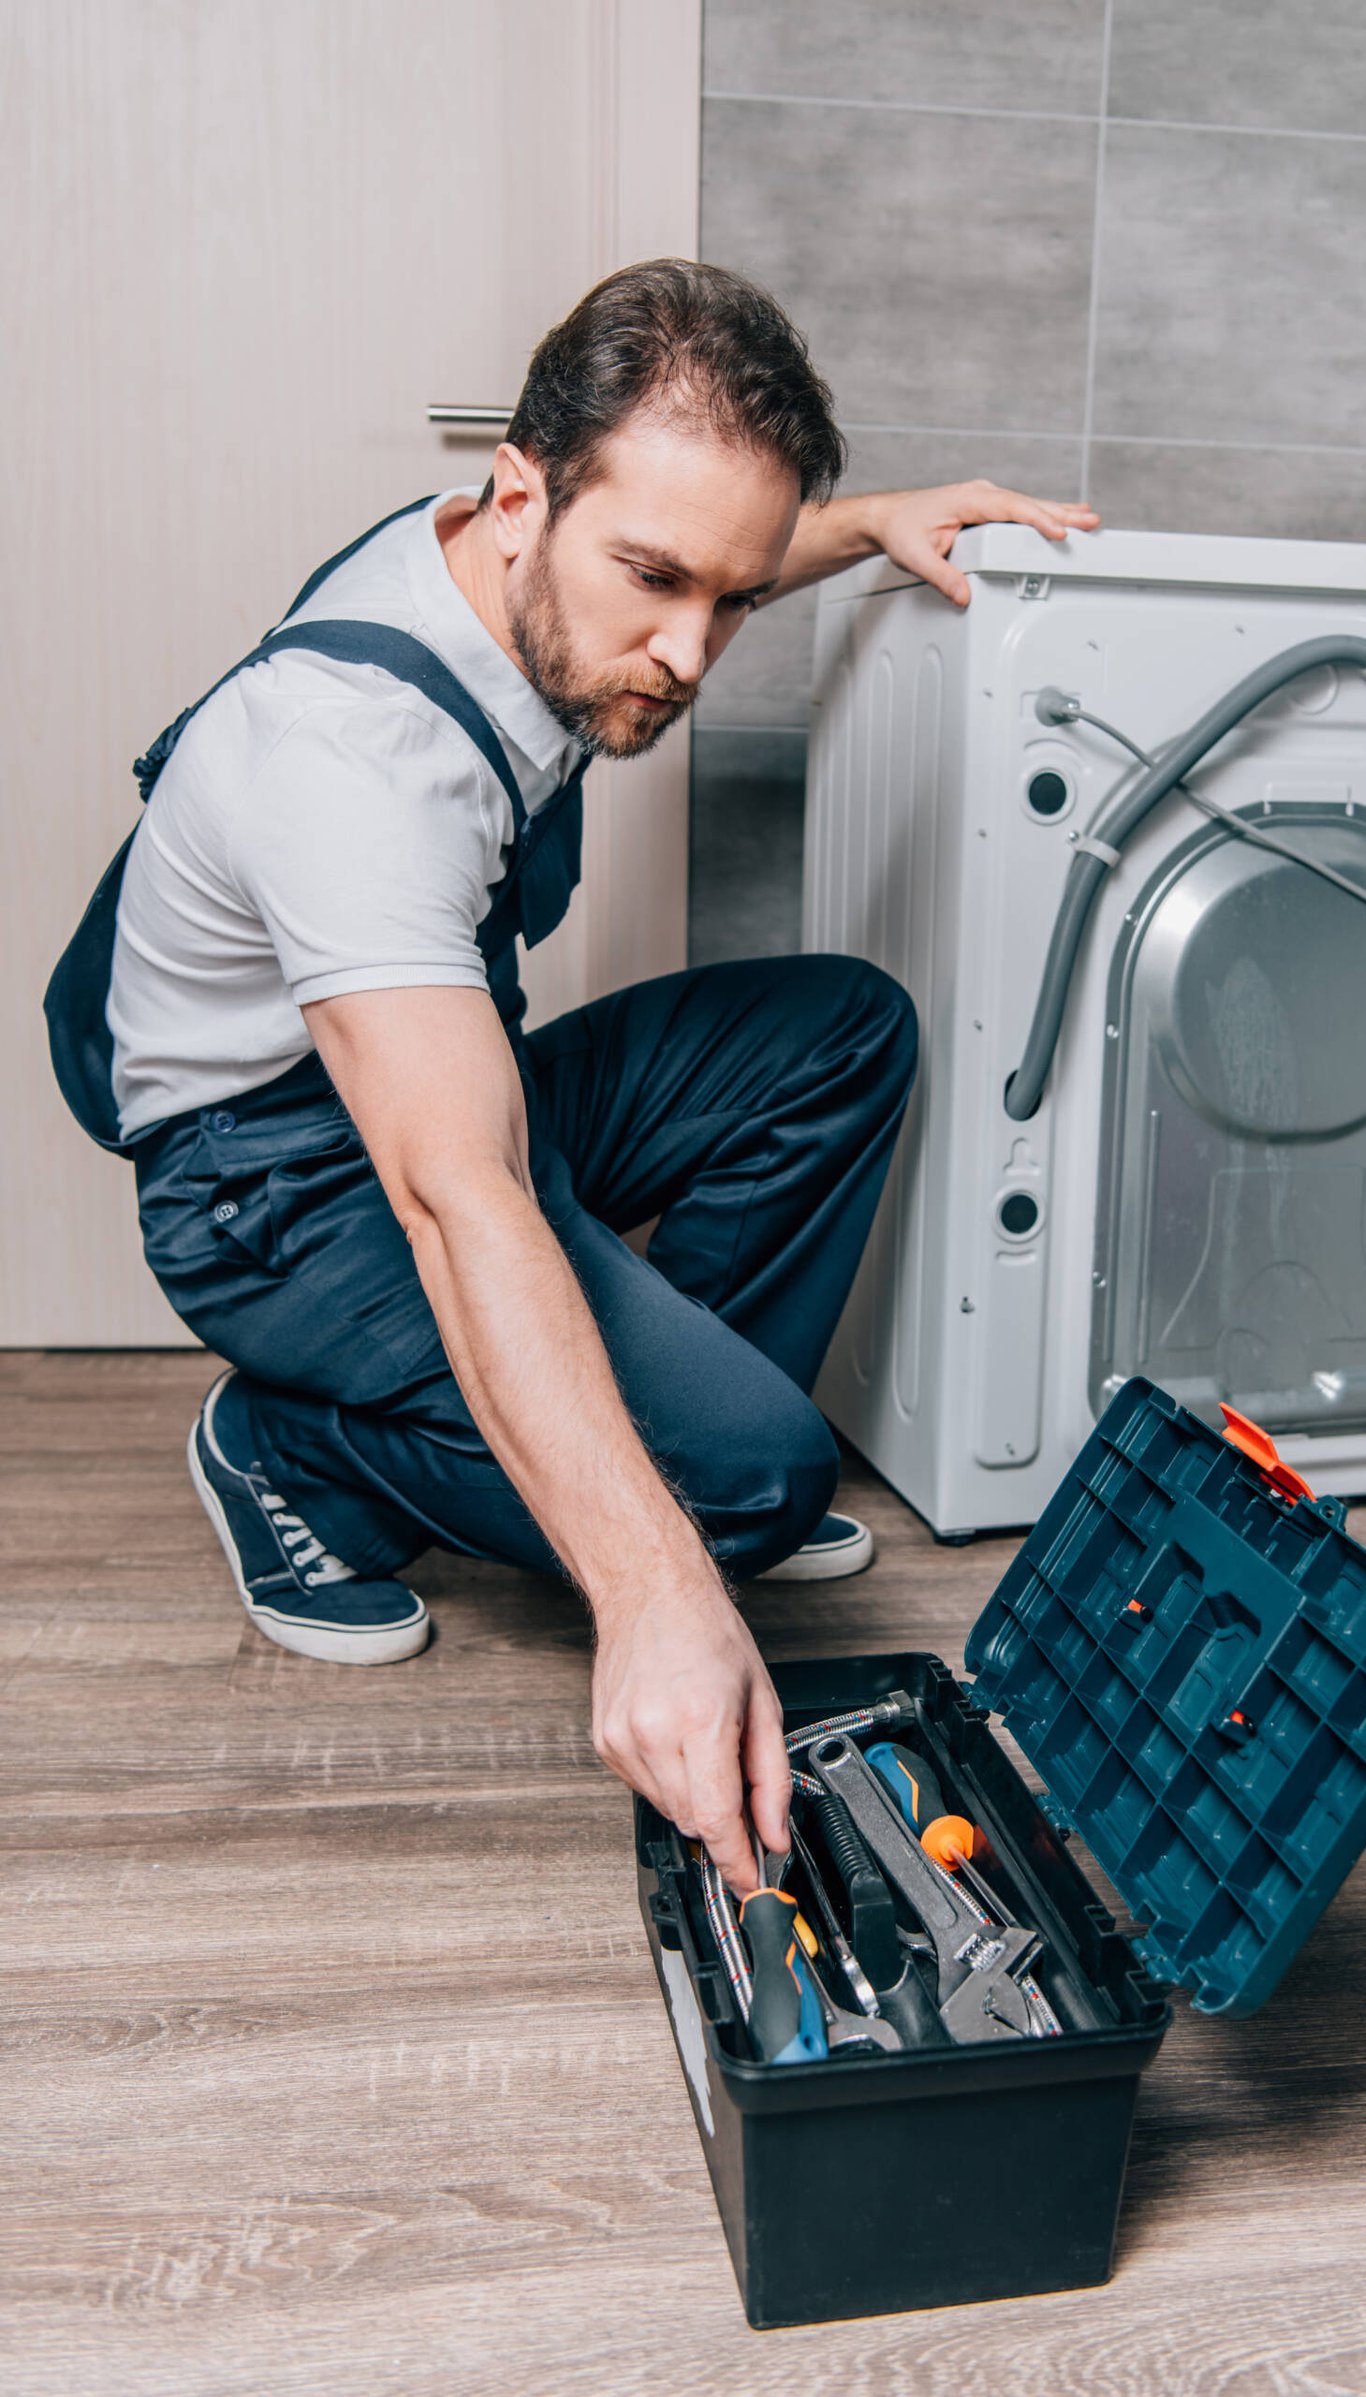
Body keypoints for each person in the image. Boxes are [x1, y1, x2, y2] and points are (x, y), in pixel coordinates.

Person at [46, 259, 1098, 1893]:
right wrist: (658, 1589)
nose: (687, 653)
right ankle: (290, 1447)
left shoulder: (509, 552)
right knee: (750, 1484)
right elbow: (458, 1194)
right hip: (270, 1180)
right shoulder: (348, 763)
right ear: (522, 493)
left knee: (845, 1032)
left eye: (732, 599)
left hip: (416, 1072)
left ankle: (680, 1456)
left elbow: (698, 534)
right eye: (658, 582)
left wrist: (869, 519)